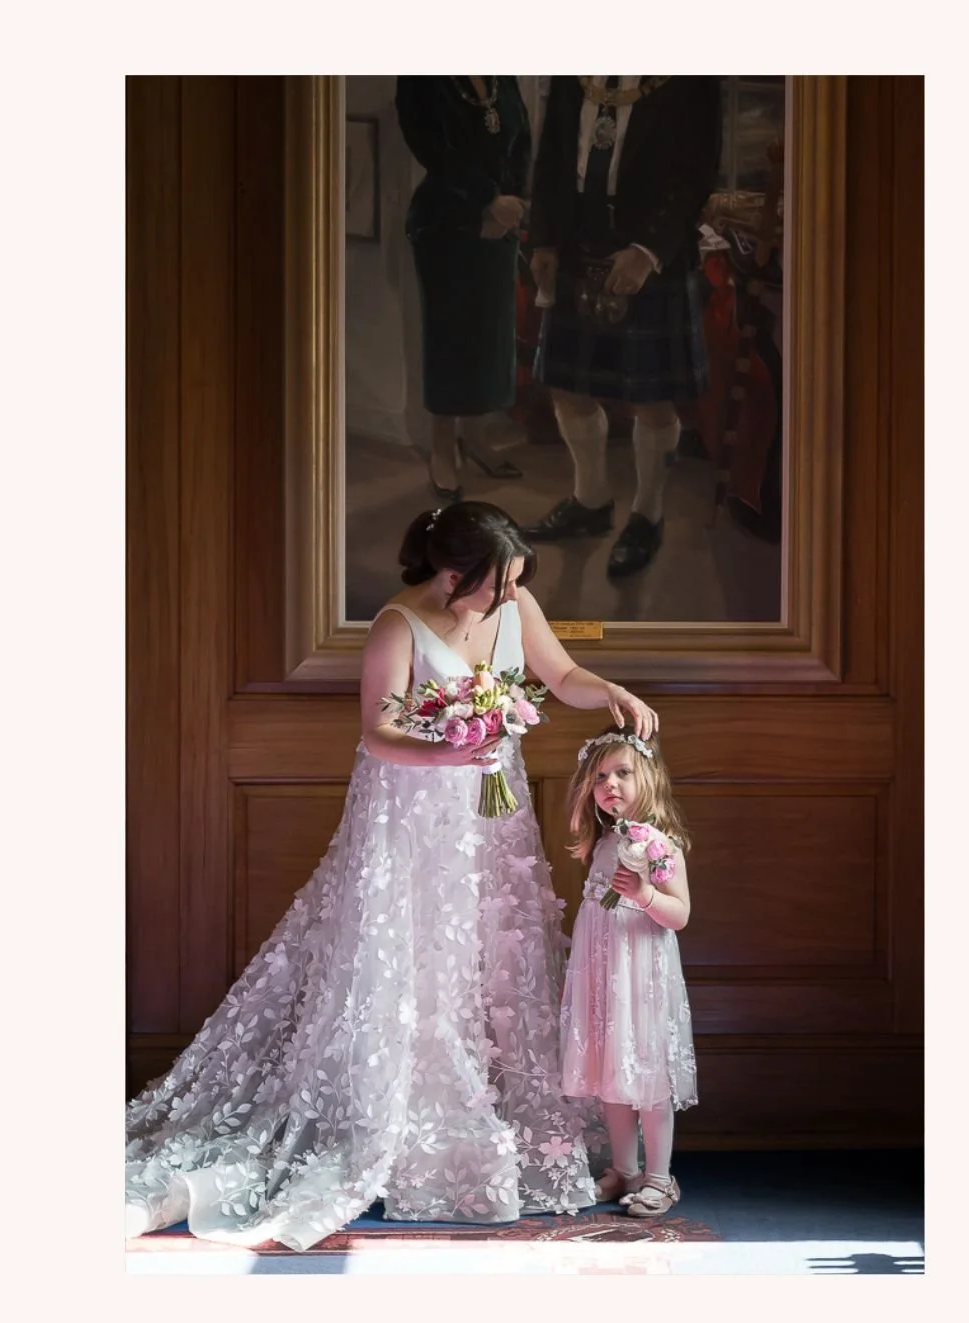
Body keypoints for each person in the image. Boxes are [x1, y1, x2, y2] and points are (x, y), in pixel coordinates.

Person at [126, 501, 659, 1252]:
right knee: (421, 964)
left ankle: (499, 1125)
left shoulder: (515, 600)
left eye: (514, 585)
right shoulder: (397, 625)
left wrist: (610, 692)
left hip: (489, 813)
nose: (509, 599)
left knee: (495, 955)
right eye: (496, 586)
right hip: (415, 816)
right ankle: (409, 1134)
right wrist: (450, 752)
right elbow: (379, 732)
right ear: (451, 575)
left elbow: (560, 673)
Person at [524, 76, 723, 577]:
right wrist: (545, 239)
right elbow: (551, 156)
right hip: (576, 242)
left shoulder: (688, 74)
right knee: (568, 388)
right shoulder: (575, 71)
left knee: (651, 398)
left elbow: (695, 173)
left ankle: (647, 515)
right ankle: (590, 500)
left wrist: (648, 250)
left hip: (648, 250)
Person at [560, 725, 696, 1217]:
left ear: (649, 779)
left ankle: (660, 1177)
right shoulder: (601, 844)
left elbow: (678, 915)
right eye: (600, 776)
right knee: (611, 1069)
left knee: (647, 1072)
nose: (609, 784)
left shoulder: (659, 845)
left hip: (641, 975)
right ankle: (625, 1170)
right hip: (604, 970)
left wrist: (644, 895)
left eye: (622, 773)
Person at [395, 77, 530, 501]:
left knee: (489, 337)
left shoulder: (500, 75)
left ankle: (475, 438)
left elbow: (521, 139)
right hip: (446, 223)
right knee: (449, 337)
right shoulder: (421, 76)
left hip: (501, 224)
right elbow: (434, 150)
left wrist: (512, 202)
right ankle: (442, 447)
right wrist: (487, 200)